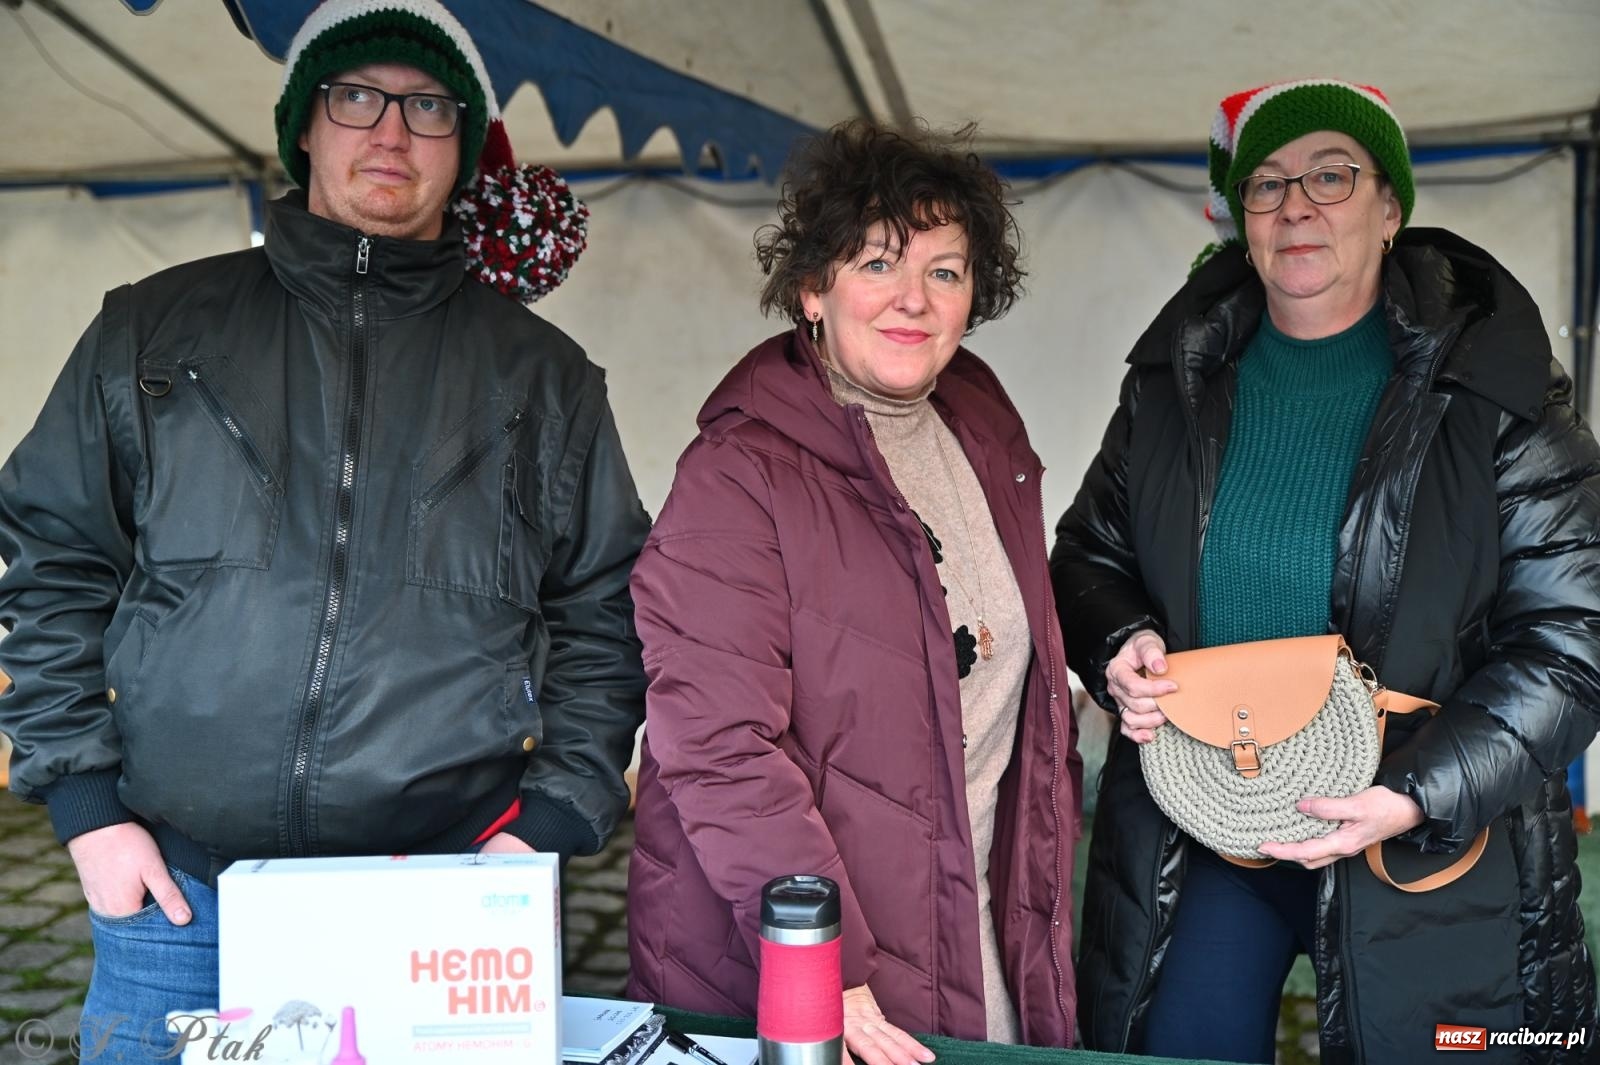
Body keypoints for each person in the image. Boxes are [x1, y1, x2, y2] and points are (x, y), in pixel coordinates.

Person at [0, 1, 648, 1058]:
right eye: (357, 97)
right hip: (177, 895)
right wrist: (86, 808)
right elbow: (52, 557)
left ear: (464, 144)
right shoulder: (155, 330)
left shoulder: (543, 377)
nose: (390, 132)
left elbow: (607, 607)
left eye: (427, 107)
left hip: (447, 899)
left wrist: (549, 826)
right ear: (305, 125)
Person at [1052, 79, 1600, 1062]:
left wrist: (1416, 792)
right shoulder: (1169, 384)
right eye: (1265, 183)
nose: (1295, 203)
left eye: (1330, 175)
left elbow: (1574, 636)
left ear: (1390, 208)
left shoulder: (1498, 384)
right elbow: (1090, 552)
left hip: (1432, 833)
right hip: (1204, 818)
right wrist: (1118, 641)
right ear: (1240, 218)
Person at [626, 120, 1080, 1063]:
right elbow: (714, 743)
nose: (912, 299)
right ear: (812, 289)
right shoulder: (737, 473)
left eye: (945, 272)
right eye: (876, 263)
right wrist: (820, 963)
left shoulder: (984, 432)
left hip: (981, 945)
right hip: (803, 973)